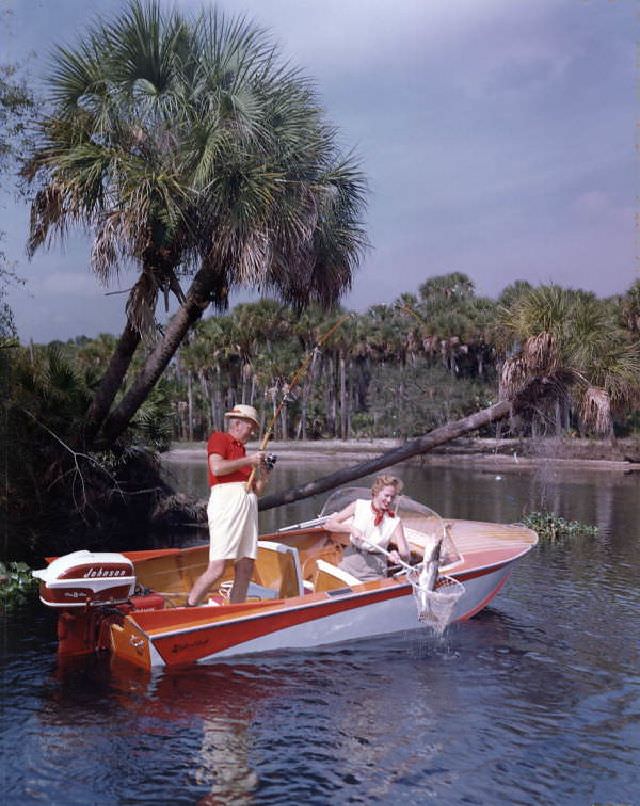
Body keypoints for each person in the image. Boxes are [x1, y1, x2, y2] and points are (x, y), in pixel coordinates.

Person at [187, 404, 271, 606]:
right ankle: (189, 605)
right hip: (226, 505)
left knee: (246, 565)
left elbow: (256, 491)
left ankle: (235, 610)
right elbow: (216, 468)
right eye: (250, 425)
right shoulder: (219, 438)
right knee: (218, 567)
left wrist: (265, 476)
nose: (252, 431)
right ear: (238, 423)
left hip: (247, 507)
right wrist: (248, 460)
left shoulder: (243, 452)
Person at [324, 475, 411, 581]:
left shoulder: (394, 521)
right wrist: (350, 528)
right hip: (350, 559)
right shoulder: (359, 505)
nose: (389, 500)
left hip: (374, 568)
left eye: (392, 497)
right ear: (376, 492)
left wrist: (396, 555)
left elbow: (405, 553)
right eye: (386, 495)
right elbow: (329, 524)